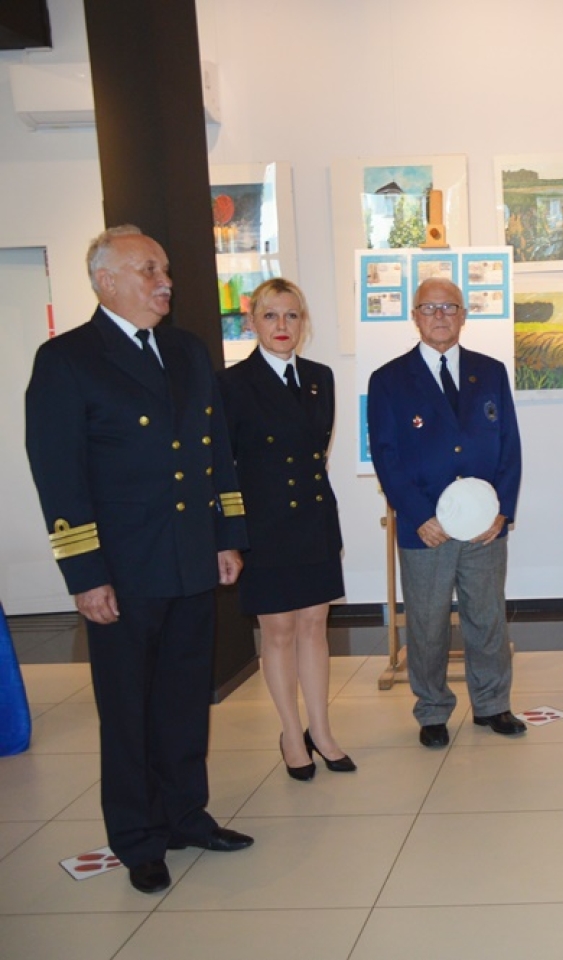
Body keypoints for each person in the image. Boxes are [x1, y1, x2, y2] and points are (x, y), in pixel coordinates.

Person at [24, 225, 253, 895]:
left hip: (189, 558)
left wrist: (227, 534)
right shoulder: (68, 359)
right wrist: (85, 575)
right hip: (123, 572)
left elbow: (215, 452)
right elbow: (59, 478)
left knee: (184, 699)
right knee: (127, 711)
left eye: (165, 269)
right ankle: (138, 837)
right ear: (107, 282)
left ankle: (186, 815)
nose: (165, 281)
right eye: (149, 269)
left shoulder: (185, 351)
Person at [367, 277, 524, 748]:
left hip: (484, 528)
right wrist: (418, 516)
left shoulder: (490, 372)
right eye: (429, 308)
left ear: (463, 316)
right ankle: (432, 710)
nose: (439, 316)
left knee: (487, 617)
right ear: (414, 316)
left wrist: (502, 512)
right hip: (426, 529)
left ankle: (493, 704)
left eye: (449, 307)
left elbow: (509, 447)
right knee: (427, 623)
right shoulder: (388, 380)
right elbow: (386, 457)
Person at [218, 279, 354, 779]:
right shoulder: (231, 384)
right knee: (278, 632)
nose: (282, 326)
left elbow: (316, 453)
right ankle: (291, 734)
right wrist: (229, 537)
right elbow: (223, 467)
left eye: (292, 316)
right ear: (252, 322)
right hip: (264, 524)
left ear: (304, 322)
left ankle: (322, 731)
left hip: (313, 520)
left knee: (315, 626)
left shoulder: (320, 377)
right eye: (271, 316)